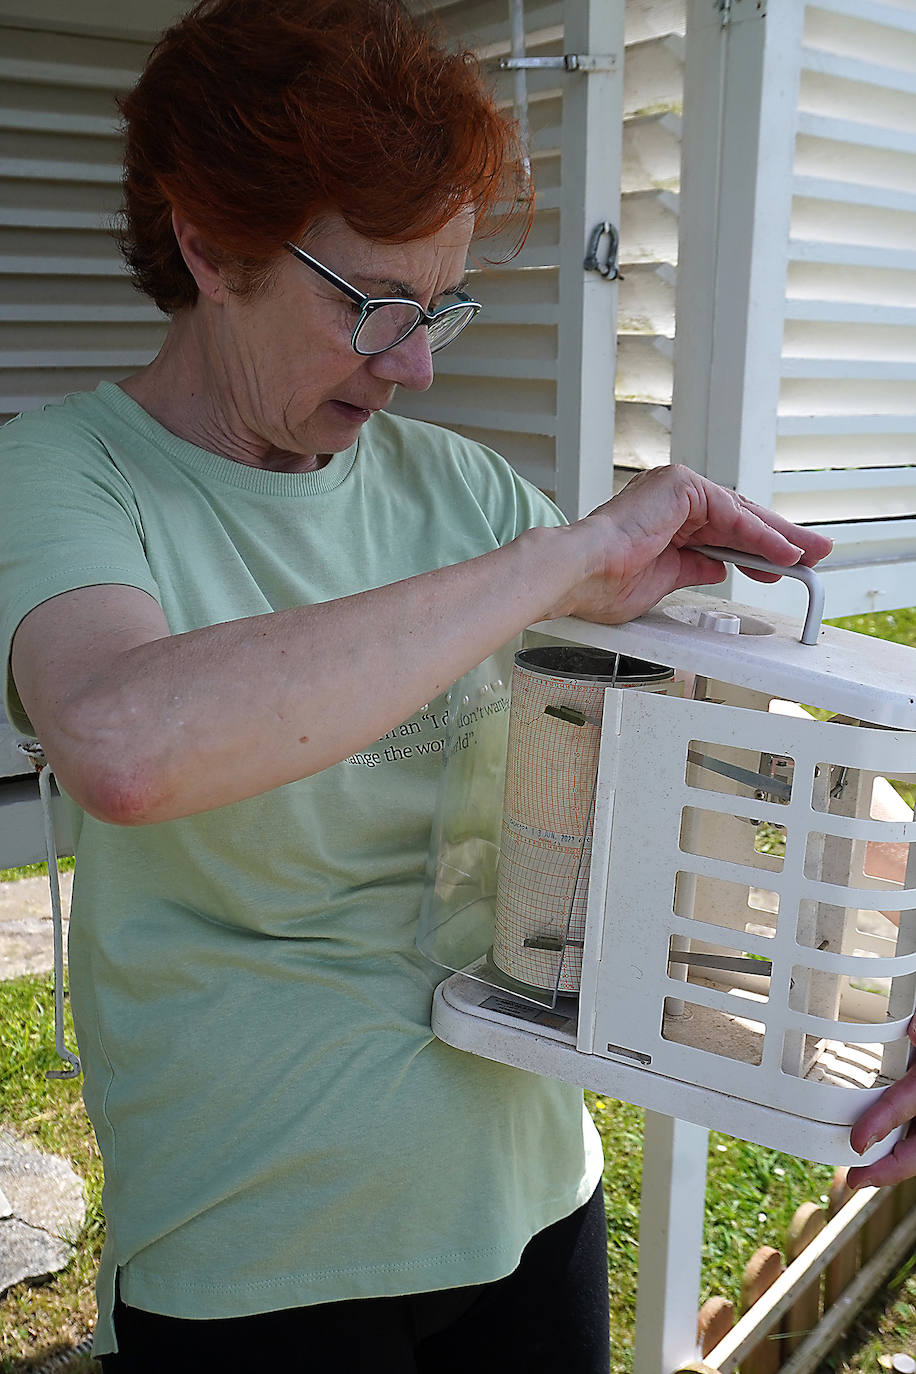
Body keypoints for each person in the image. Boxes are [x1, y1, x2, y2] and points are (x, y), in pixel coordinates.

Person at [0, 0, 904, 1369]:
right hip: (259, 1257)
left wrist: (900, 958)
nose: (415, 364)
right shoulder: (66, 475)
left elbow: (725, 743)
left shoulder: (464, 495)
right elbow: (122, 741)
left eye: (439, 309)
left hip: (533, 1199)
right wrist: (554, 561)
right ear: (208, 245)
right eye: (370, 304)